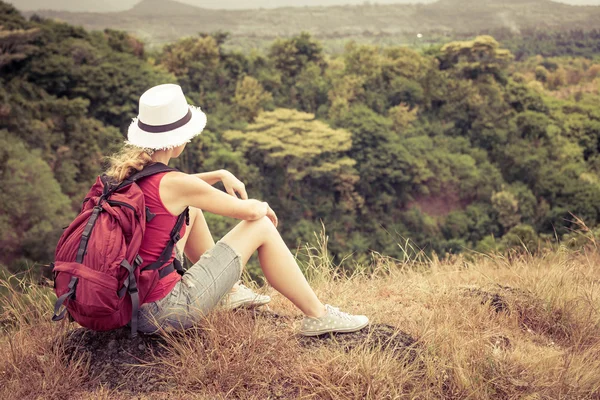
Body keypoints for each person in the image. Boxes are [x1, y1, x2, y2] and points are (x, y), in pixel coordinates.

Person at [106, 83, 369, 336]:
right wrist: (262, 206)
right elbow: (250, 213)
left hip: (131, 302)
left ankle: (229, 291)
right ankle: (318, 315)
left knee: (193, 209)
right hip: (166, 311)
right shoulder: (176, 184)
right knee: (261, 225)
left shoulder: (128, 176)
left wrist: (219, 174)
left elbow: (182, 187)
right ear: (177, 141)